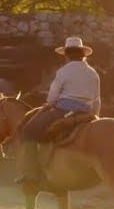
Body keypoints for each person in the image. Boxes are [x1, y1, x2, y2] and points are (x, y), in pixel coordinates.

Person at [16, 36, 101, 185]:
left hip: (63, 110)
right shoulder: (93, 73)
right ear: (83, 54)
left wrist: (49, 104)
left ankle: (32, 174)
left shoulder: (63, 71)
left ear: (67, 55)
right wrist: (93, 116)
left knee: (29, 131)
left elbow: (52, 98)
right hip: (86, 112)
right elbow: (97, 99)